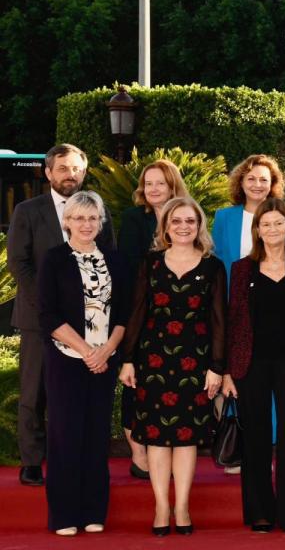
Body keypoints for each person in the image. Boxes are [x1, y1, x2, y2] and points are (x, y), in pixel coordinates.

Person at [119, 196, 226, 536]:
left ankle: (182, 506)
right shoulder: (149, 263)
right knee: (157, 437)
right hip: (153, 360)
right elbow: (137, 312)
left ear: (199, 226)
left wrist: (217, 367)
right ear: (165, 226)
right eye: (176, 221)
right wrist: (127, 359)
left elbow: (220, 320)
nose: (183, 227)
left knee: (186, 438)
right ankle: (161, 505)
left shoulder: (213, 266)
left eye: (190, 221)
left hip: (195, 363)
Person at [8, 143, 113, 487]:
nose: (71, 175)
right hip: (39, 319)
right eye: (63, 168)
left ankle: (71, 456)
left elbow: (107, 258)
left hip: (89, 323)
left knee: (74, 393)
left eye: (77, 169)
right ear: (48, 172)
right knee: (34, 392)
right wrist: (47, 305)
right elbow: (18, 263)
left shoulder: (98, 209)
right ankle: (32, 461)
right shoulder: (27, 210)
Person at [221, 198, 285, 533]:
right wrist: (228, 372)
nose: (273, 229)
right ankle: (260, 512)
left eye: (279, 223)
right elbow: (233, 322)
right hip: (251, 364)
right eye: (266, 224)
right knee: (257, 438)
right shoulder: (241, 269)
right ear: (257, 230)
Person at [38, 191, 130, 536]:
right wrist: (87, 350)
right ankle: (63, 515)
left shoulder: (116, 260)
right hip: (66, 361)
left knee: (95, 436)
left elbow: (123, 313)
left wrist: (106, 351)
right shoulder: (55, 259)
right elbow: (48, 315)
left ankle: (94, 511)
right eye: (79, 218)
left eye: (92, 218)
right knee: (65, 436)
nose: (86, 224)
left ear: (100, 222)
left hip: (104, 362)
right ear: (67, 222)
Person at [117, 158, 188, 480]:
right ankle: (138, 453)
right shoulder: (134, 219)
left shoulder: (187, 216)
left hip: (181, 321)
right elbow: (130, 267)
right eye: (148, 183)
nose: (153, 189)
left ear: (173, 185)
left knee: (172, 387)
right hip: (141, 315)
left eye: (160, 182)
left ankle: (171, 449)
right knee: (135, 385)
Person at [212, 154, 285, 283]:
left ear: (272, 184)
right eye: (251, 179)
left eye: (264, 180)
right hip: (235, 293)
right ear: (241, 182)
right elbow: (216, 260)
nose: (257, 185)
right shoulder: (223, 217)